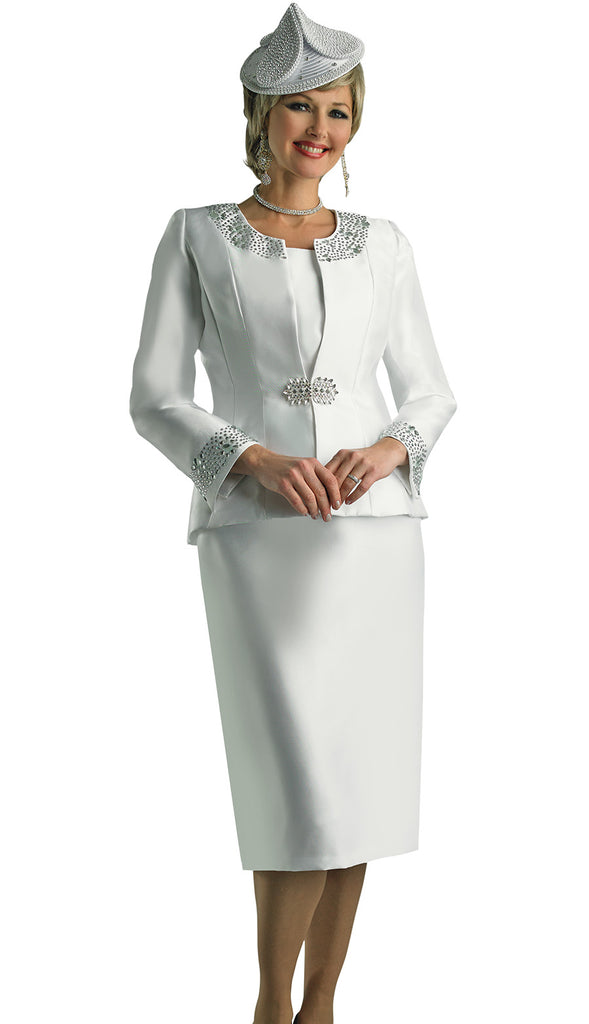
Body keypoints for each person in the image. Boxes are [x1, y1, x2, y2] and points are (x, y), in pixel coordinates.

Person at [129, 4, 457, 1022]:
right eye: (301, 109)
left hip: (373, 540)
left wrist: (387, 448)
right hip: (257, 539)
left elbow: (430, 394)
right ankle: (273, 1007)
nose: (320, 130)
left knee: (355, 785)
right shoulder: (197, 235)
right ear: (259, 116)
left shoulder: (383, 244)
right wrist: (252, 457)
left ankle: (321, 1008)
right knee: (295, 782)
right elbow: (153, 397)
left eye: (339, 112)